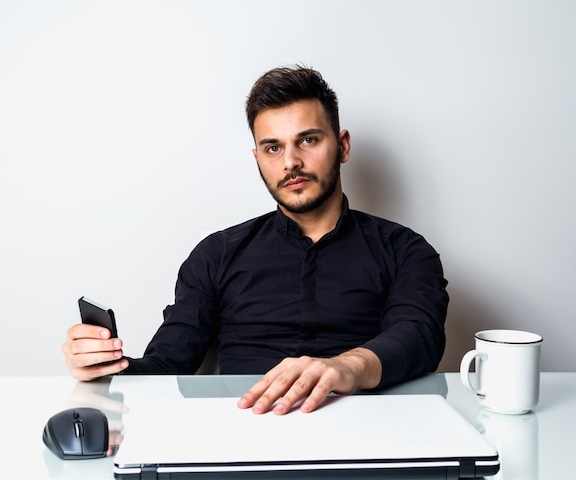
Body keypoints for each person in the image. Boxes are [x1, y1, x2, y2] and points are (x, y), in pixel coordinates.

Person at [63, 65, 449, 415]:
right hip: (241, 435)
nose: (290, 162)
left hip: (368, 435)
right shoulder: (217, 254)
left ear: (343, 145)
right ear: (258, 158)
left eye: (308, 140)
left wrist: (345, 366)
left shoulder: (405, 250)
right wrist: (103, 368)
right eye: (273, 147)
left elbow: (420, 337)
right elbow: (167, 366)